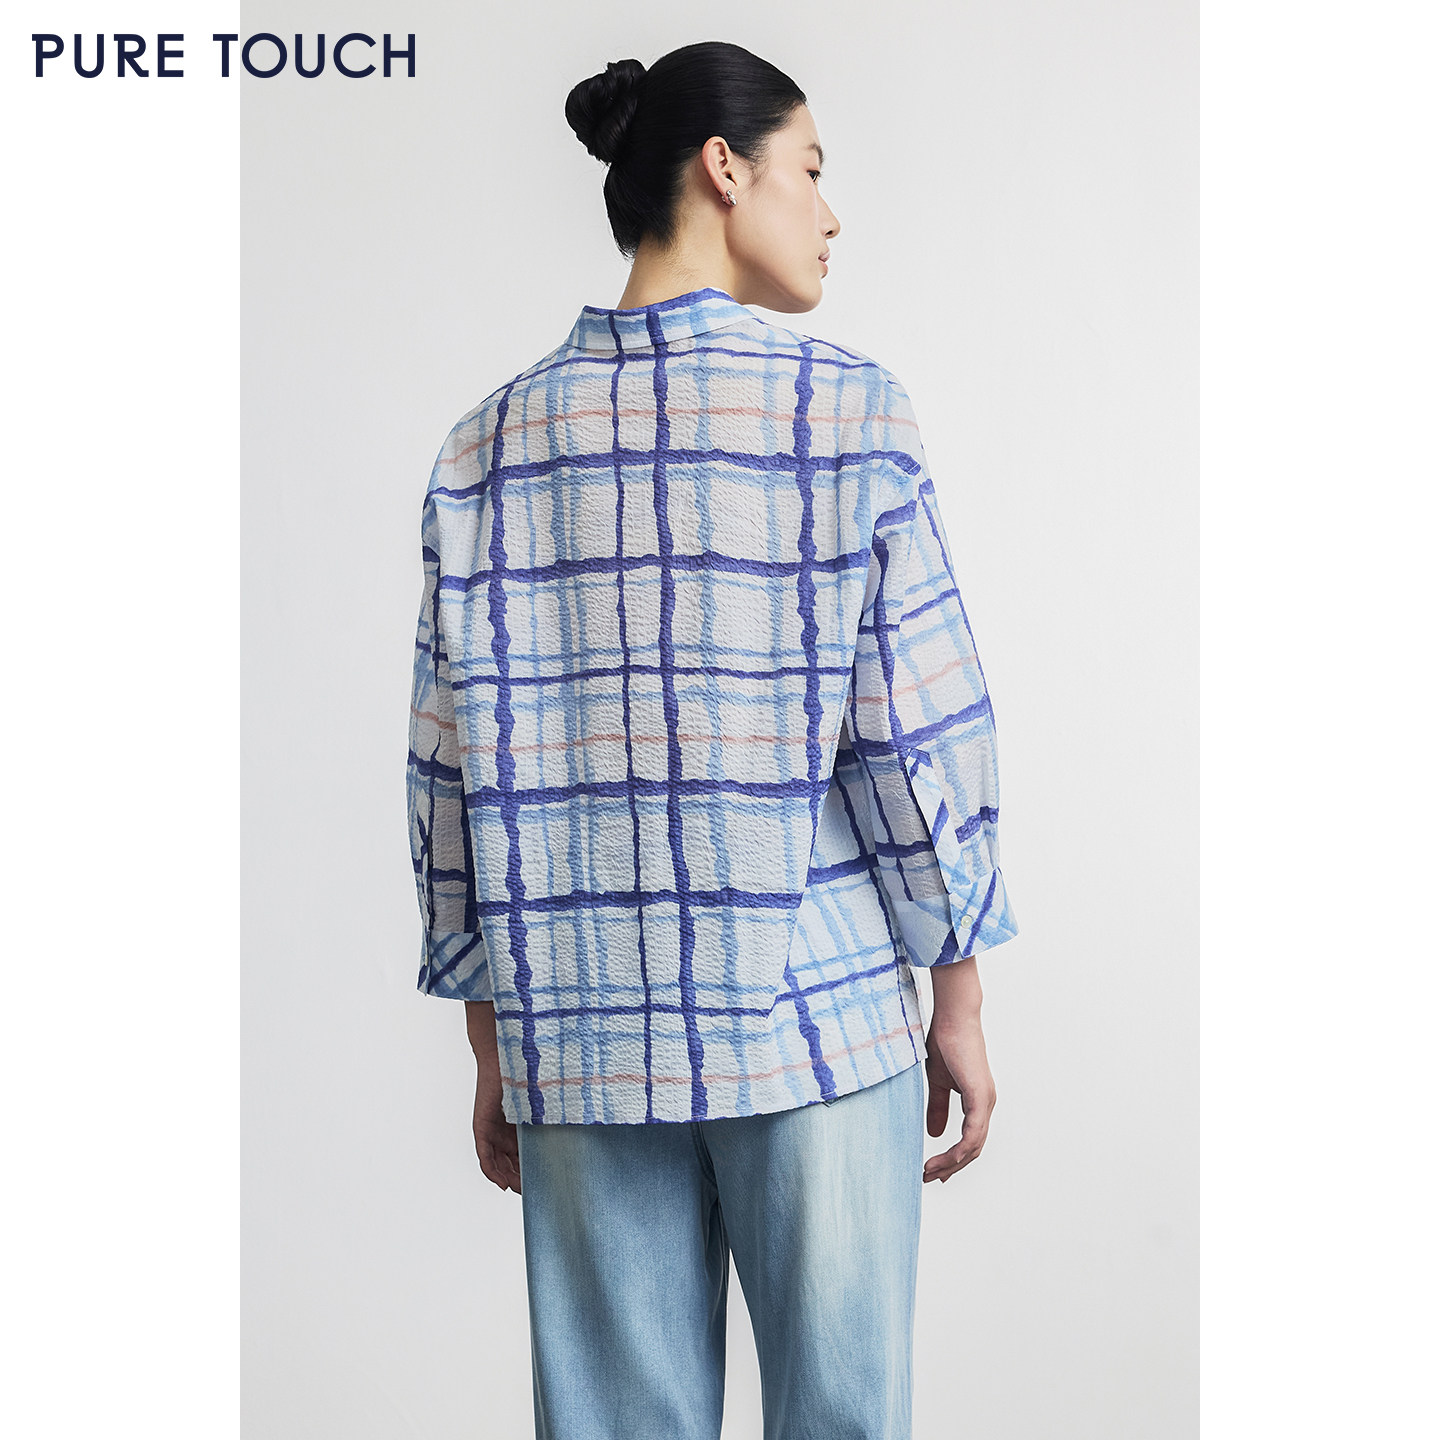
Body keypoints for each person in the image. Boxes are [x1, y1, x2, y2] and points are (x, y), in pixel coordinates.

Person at [405, 40, 1018, 1440]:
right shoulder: (848, 413)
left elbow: (450, 773)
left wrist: (494, 1035)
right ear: (724, 169)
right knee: (842, 1419)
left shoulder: (483, 449)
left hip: (578, 1030)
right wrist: (961, 999)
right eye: (812, 170)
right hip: (814, 1013)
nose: (831, 213)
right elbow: (916, 735)